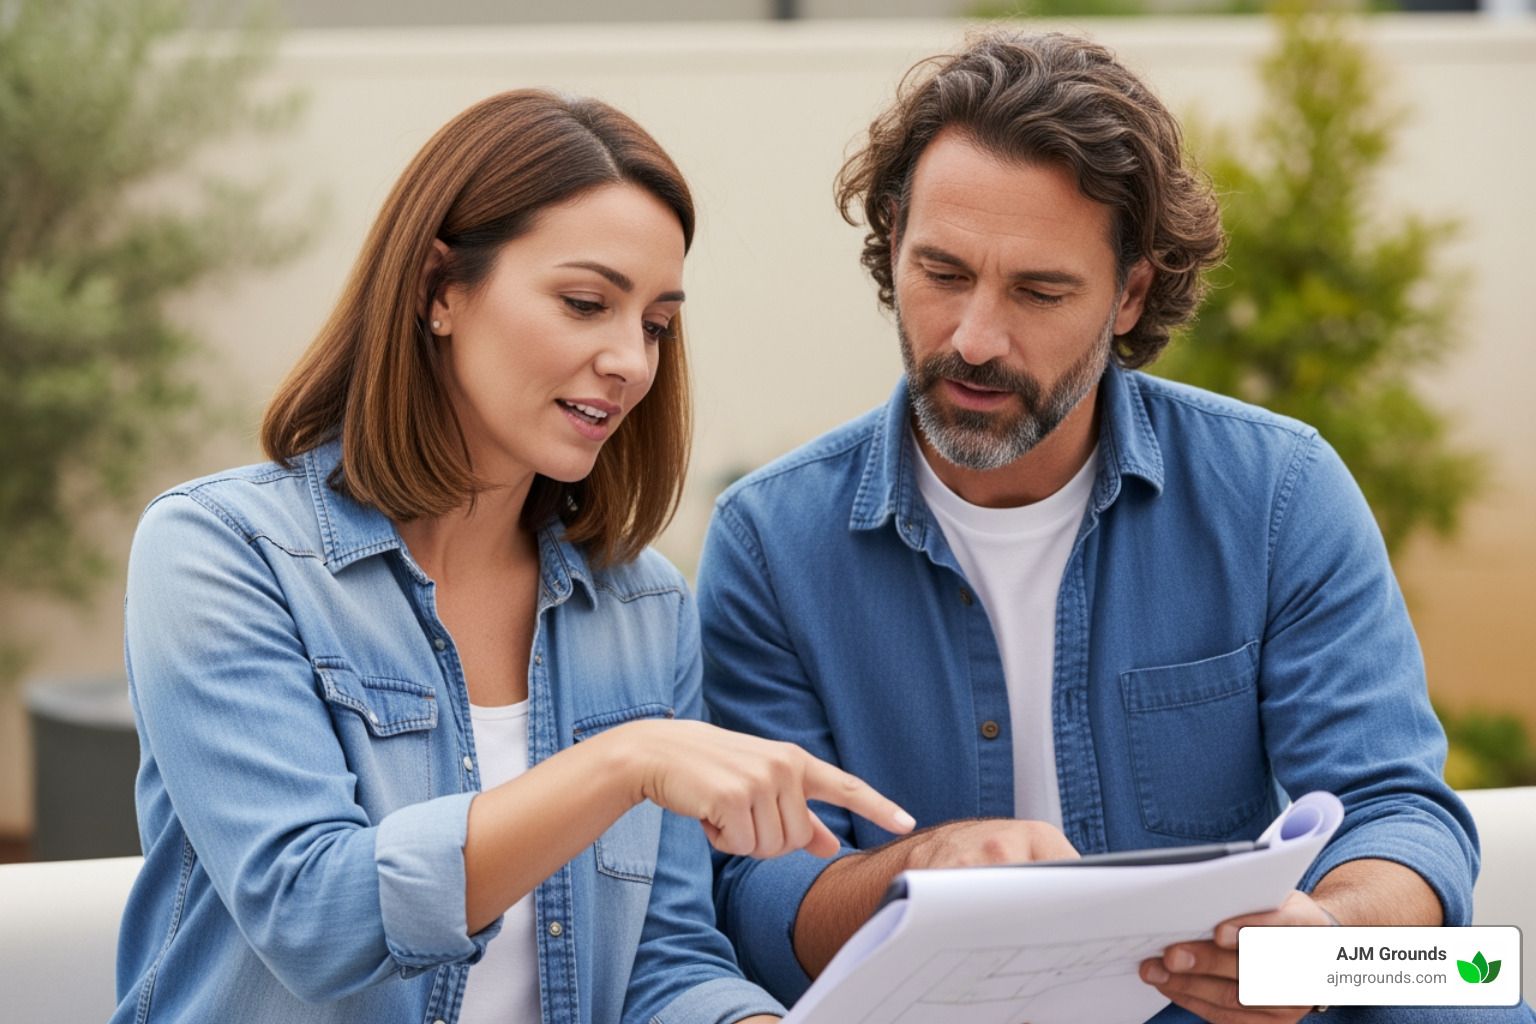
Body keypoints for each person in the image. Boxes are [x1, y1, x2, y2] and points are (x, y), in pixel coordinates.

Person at [699, 32, 1529, 1024]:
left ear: (1131, 290)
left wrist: (1322, 947)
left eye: (1040, 291)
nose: (974, 338)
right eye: (944, 273)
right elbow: (762, 900)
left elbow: (1401, 813)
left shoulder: (1278, 491)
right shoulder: (770, 542)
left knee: (1472, 985)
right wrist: (929, 869)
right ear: (892, 237)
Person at [111, 90, 914, 1024]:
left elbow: (663, 961)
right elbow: (317, 917)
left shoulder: (643, 608)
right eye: (585, 303)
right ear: (437, 290)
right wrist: (626, 761)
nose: (631, 362)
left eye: (655, 323)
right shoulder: (224, 553)